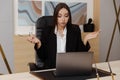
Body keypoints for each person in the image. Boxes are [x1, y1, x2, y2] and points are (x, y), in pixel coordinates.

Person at [27, 3, 100, 69]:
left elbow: (80, 55)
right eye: (59, 16)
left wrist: (86, 39)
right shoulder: (47, 31)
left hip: (70, 68)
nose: (63, 19)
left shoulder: (75, 30)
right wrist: (39, 43)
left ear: (69, 17)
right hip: (51, 69)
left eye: (66, 16)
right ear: (55, 17)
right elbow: (42, 56)